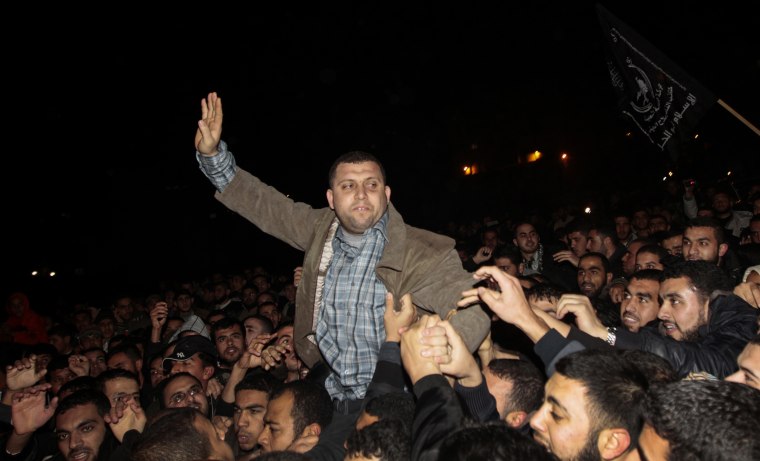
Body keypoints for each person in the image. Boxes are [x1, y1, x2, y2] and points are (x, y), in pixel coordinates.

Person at [193, 92, 489, 408]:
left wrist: (441, 348)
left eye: (371, 184)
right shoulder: (318, 229)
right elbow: (266, 204)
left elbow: (470, 305)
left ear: (386, 194)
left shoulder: (422, 250)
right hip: (330, 398)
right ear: (332, 198)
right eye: (348, 185)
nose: (361, 193)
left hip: (398, 400)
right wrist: (212, 157)